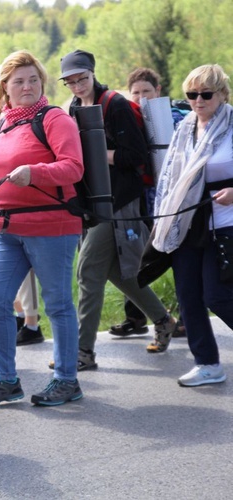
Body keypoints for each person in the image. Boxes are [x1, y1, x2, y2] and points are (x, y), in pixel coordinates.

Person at [0, 50, 84, 407]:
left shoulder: (55, 119)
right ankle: (5, 380)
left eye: (34, 79)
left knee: (58, 304)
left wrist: (36, 172)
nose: (27, 86)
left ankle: (66, 380)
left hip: (52, 225)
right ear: (5, 87)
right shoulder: (2, 122)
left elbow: (74, 168)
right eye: (19, 81)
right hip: (6, 228)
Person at [60, 49, 176, 370]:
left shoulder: (116, 105)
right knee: (116, 272)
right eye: (70, 81)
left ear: (92, 73)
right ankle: (163, 320)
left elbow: (134, 155)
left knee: (87, 273)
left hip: (120, 201)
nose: (77, 85)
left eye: (82, 78)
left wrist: (97, 153)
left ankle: (82, 353)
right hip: (93, 201)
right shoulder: (73, 107)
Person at [153, 63, 233, 387]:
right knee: (188, 295)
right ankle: (207, 363)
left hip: (224, 224)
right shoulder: (185, 128)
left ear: (223, 94)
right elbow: (172, 177)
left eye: (205, 94)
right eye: (191, 95)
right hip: (186, 222)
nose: (198, 101)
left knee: (217, 294)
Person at [109, 67, 189, 339]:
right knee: (136, 256)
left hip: (173, 200)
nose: (142, 98)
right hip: (142, 200)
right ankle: (135, 316)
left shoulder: (176, 119)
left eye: (146, 92)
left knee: (178, 256)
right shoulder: (129, 120)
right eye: (136, 93)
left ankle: (187, 316)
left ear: (158, 91)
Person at [0, 63, 44, 346]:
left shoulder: (44, 117)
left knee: (36, 280)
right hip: (4, 214)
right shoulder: (1, 120)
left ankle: (32, 323)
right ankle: (23, 320)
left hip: (37, 214)